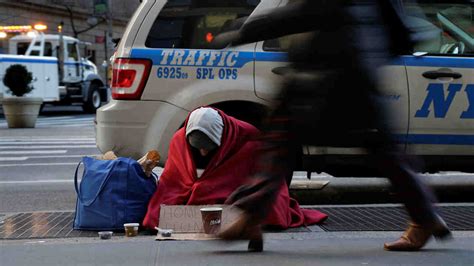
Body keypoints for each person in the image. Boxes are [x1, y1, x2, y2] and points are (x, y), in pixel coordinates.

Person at [215, 0, 451, 252]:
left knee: (278, 142)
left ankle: (250, 216)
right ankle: (424, 215)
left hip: (324, 78)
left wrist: (243, 31)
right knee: (384, 150)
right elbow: (398, 30)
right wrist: (370, 53)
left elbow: (302, 13)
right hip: (358, 74)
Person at [142, 107, 328, 250]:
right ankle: (235, 222)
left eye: (209, 147)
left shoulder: (248, 138)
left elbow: (265, 183)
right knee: (158, 216)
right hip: (218, 205)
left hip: (240, 197)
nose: (203, 152)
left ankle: (239, 221)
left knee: (270, 210)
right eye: (198, 148)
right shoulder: (179, 141)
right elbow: (172, 184)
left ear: (223, 137)